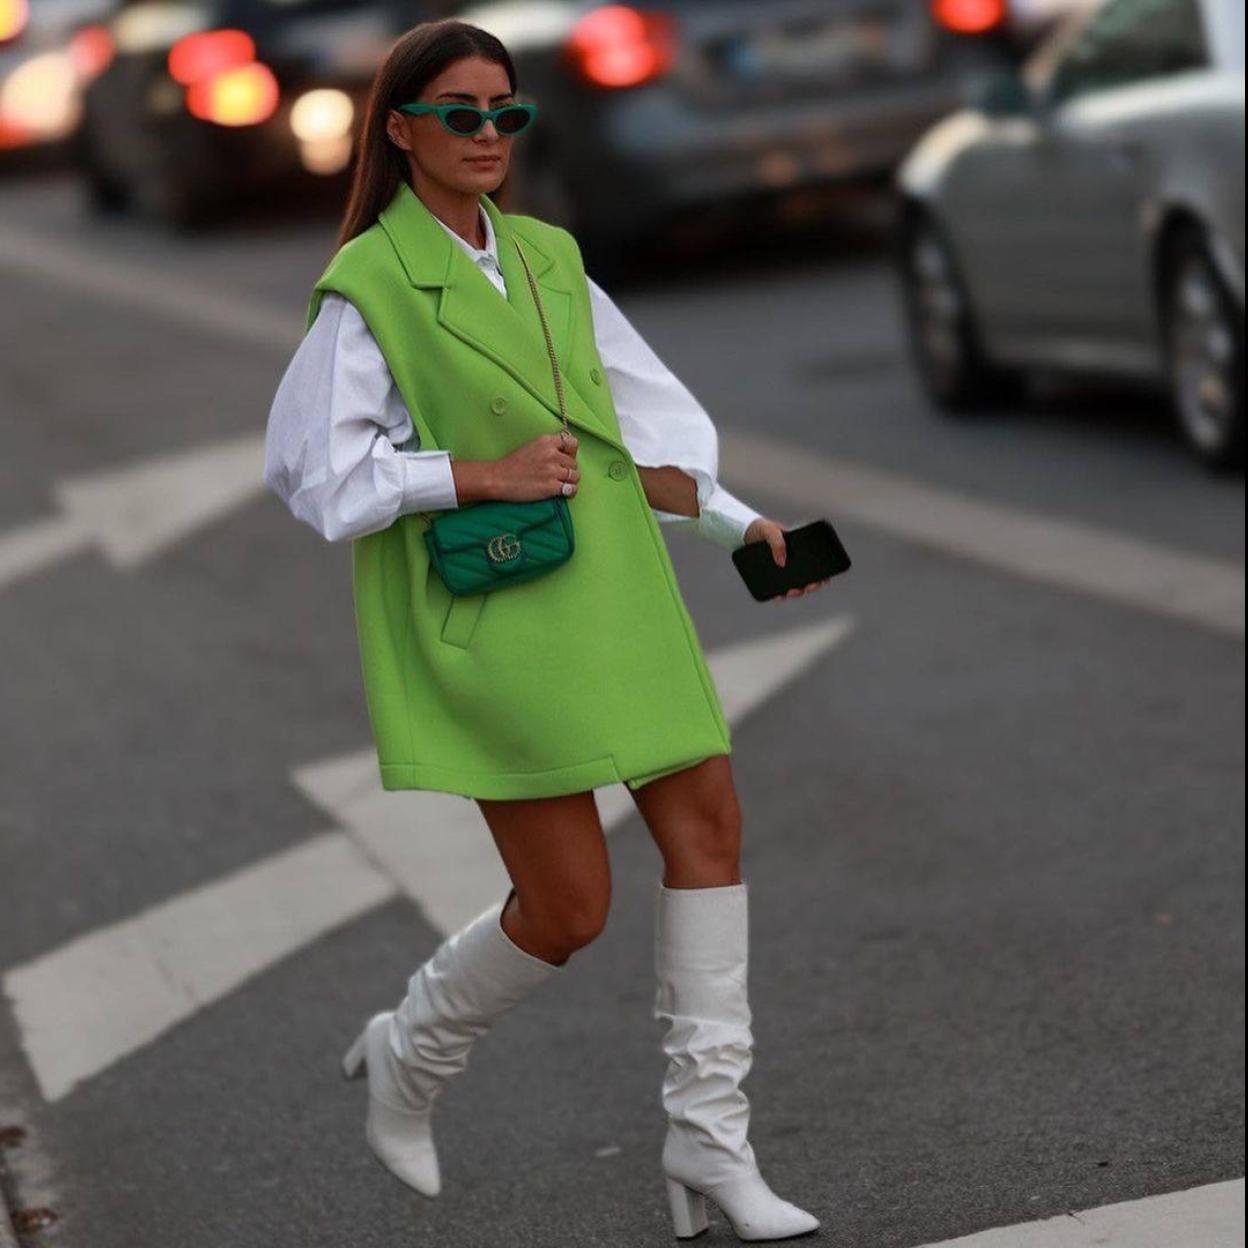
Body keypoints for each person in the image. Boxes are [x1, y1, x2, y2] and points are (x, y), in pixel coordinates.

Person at [263, 18, 828, 1242]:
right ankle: (408, 1055)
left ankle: (710, 1141)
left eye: (504, 113)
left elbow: (635, 422)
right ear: (400, 129)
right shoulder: (370, 287)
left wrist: (738, 523)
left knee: (711, 825)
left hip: (619, 590)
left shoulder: (554, 257)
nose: (485, 135)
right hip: (498, 614)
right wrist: (476, 473)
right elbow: (313, 475)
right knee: (569, 908)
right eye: (457, 113)